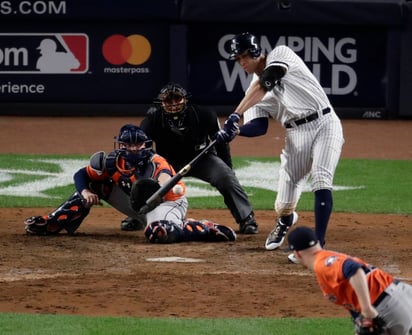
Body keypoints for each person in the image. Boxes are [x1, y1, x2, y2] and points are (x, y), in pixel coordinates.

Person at [216, 32, 344, 262]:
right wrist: (237, 131)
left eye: (244, 57)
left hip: (326, 122)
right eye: (238, 59)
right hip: (296, 134)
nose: (242, 63)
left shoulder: (281, 54)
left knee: (321, 178)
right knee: (283, 203)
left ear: (256, 52)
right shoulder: (252, 93)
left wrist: (235, 114)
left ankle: (318, 245)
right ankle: (286, 219)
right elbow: (259, 126)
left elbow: (269, 79)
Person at [24, 124, 236, 244]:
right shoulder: (111, 162)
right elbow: (82, 174)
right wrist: (86, 191)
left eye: (138, 144)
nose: (134, 149)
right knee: (97, 186)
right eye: (129, 145)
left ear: (145, 145)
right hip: (137, 204)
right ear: (121, 145)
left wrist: (158, 190)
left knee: (157, 233)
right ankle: (53, 221)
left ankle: (202, 228)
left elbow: (163, 183)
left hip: (166, 203)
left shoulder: (156, 163)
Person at [121, 82, 258, 235]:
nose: (173, 104)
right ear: (161, 103)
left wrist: (228, 167)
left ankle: (246, 219)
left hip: (202, 159)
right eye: (168, 101)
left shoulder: (204, 114)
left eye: (177, 99)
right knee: (145, 182)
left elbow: (221, 144)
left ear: (185, 99)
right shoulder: (151, 121)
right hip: (168, 163)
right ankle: (137, 215)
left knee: (226, 177)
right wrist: (151, 170)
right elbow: (143, 150)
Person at [287, 226, 412, 335]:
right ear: (318, 243)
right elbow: (351, 296)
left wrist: (367, 309)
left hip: (386, 304)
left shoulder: (323, 264)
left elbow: (354, 270)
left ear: (297, 254)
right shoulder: (327, 258)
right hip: (396, 296)